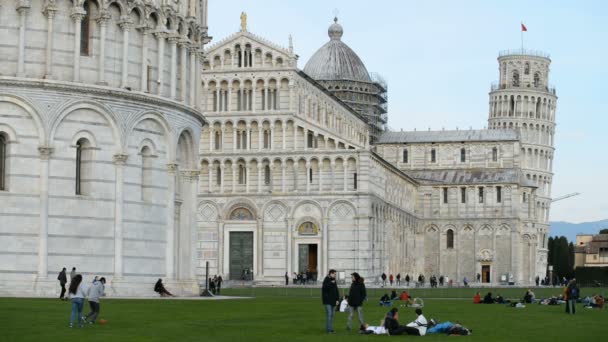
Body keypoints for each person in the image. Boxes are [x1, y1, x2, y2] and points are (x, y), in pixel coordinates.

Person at [321, 269, 340, 334]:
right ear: (330, 274)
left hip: (333, 301)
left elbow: (336, 290)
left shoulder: (334, 280)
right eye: (334, 274)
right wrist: (330, 283)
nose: (335, 275)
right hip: (327, 301)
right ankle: (329, 330)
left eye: (335, 274)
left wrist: (337, 299)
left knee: (332, 315)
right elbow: (324, 288)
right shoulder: (326, 279)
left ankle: (331, 329)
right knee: (329, 315)